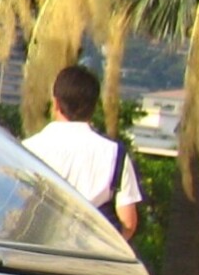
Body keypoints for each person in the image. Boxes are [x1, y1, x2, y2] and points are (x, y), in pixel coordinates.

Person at [21, 64, 142, 234]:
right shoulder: (115, 154)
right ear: (93, 106)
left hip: (37, 252)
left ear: (55, 103)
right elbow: (128, 222)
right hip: (91, 255)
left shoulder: (26, 150)